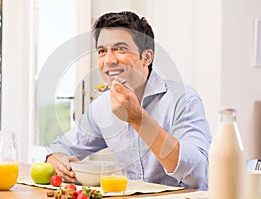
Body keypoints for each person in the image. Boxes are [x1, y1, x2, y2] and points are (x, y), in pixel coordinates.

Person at [46, 11, 211, 190]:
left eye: (120, 49)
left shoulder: (183, 99)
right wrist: (59, 162)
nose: (109, 60)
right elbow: (60, 147)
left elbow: (197, 174)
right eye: (102, 51)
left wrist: (138, 118)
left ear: (146, 57)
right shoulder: (101, 107)